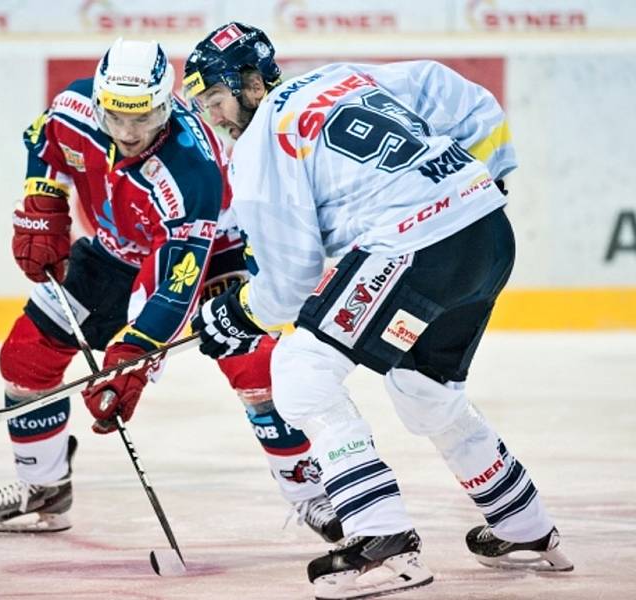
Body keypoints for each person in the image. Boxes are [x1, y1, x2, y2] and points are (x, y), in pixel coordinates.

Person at [185, 22, 573, 599]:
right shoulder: (341, 76)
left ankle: (383, 544)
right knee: (426, 391)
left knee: (302, 372)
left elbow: (289, 286)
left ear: (247, 82)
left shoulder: (261, 141)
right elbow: (463, 98)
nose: (214, 116)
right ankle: (525, 526)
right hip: (488, 233)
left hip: (415, 246)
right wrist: (475, 187)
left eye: (215, 99)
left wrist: (236, 313)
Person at [0, 38, 342, 543]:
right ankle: (45, 485)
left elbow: (174, 288)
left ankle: (313, 495)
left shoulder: (191, 173)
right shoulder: (74, 109)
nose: (128, 132)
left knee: (255, 370)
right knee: (24, 357)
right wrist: (43, 203)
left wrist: (133, 359)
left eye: (143, 118)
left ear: (166, 105)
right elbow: (42, 139)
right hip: (115, 251)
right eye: (116, 117)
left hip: (216, 251)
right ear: (99, 102)